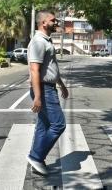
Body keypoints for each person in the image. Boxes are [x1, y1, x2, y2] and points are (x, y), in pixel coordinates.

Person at [26, 10, 68, 175]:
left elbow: (50, 68)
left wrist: (61, 84)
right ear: (43, 23)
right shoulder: (38, 42)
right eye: (53, 20)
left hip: (48, 87)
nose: (56, 22)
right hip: (43, 90)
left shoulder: (46, 41)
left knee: (43, 127)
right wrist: (37, 96)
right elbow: (35, 71)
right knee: (59, 124)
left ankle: (37, 161)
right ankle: (36, 156)